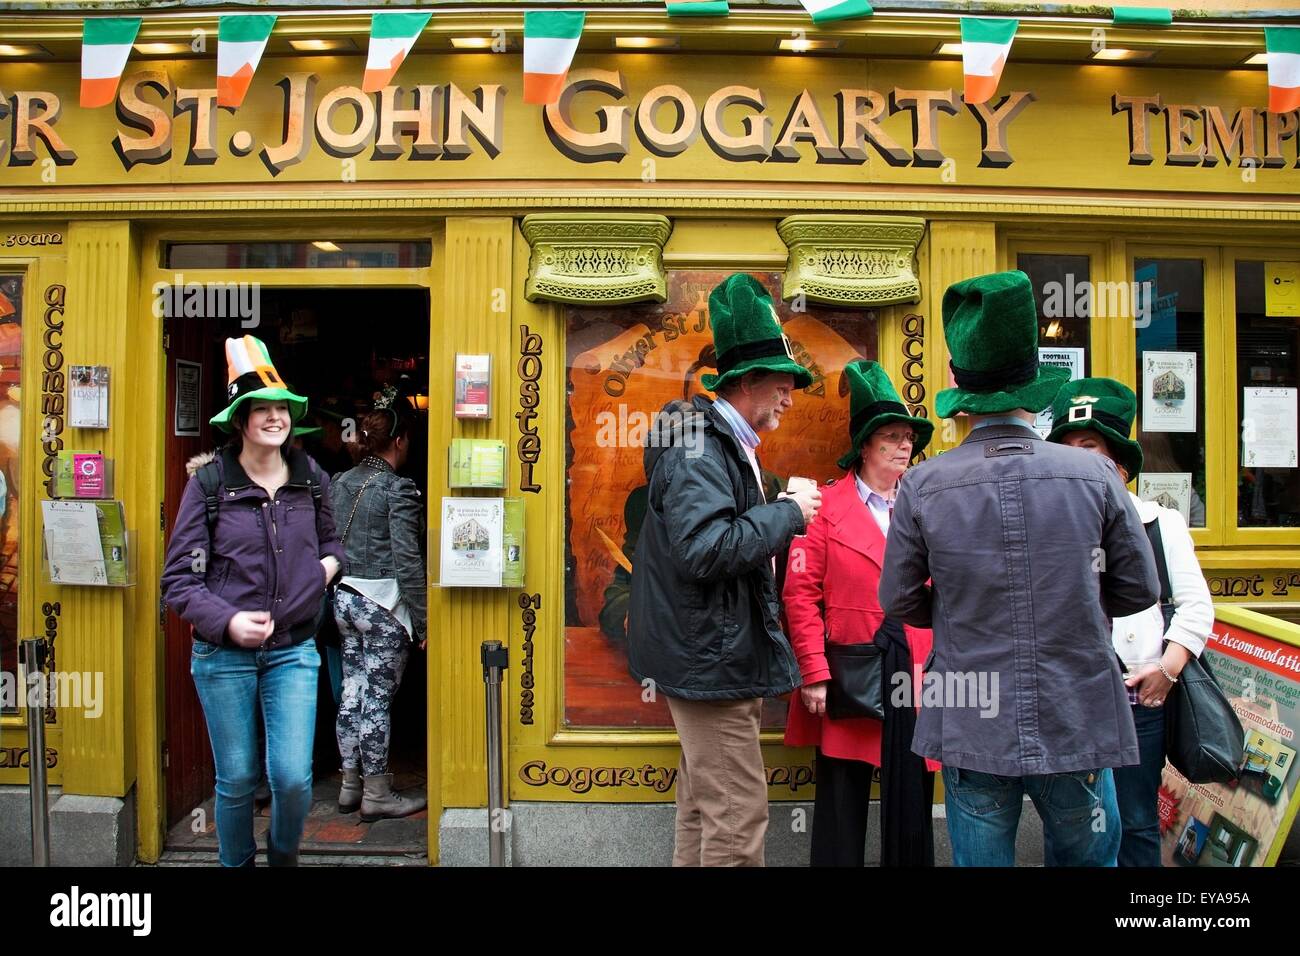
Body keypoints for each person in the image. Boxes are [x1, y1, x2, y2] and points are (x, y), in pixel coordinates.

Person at [878, 270, 1160, 867]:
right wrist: (1077, 598)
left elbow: (899, 598)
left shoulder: (923, 484)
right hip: (1074, 710)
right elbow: (1138, 589)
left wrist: (957, 610)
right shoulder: (1096, 476)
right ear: (1035, 380)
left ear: (958, 382)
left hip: (972, 713)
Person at [626, 273, 822, 867]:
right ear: (748, 382)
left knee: (704, 806)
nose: (790, 398)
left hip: (707, 658)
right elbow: (705, 549)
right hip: (709, 661)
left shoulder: (713, 443)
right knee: (737, 819)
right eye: (784, 385)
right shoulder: (702, 447)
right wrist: (787, 513)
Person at [162, 335, 344, 867]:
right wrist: (228, 621)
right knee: (238, 777)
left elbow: (333, 545)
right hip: (223, 659)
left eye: (281, 409)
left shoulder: (313, 480)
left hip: (294, 650)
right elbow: (179, 580)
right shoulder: (212, 485)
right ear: (238, 421)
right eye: (259, 409)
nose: (273, 418)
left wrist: (323, 570)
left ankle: (282, 856)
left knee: (291, 778)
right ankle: (236, 863)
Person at [1046, 377, 1213, 867]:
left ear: (1117, 461)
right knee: (1068, 825)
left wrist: (1168, 668)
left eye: (1090, 446)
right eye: (1068, 448)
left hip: (1139, 700)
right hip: (1068, 700)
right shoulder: (1048, 526)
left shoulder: (1160, 524)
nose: (1078, 458)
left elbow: (1196, 607)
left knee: (1137, 822)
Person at [784, 359, 939, 866]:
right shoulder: (823, 508)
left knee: (914, 798)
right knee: (840, 804)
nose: (904, 446)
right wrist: (814, 672)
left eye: (908, 437)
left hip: (917, 675)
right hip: (850, 673)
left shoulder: (926, 508)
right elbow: (800, 596)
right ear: (865, 446)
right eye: (891, 437)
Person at [330, 383, 428, 820]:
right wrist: (424, 621)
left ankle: (350, 785)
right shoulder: (397, 488)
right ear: (401, 440)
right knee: (378, 700)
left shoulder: (339, 483)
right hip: (383, 605)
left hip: (344, 601)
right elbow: (407, 561)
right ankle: (378, 794)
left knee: (352, 692)